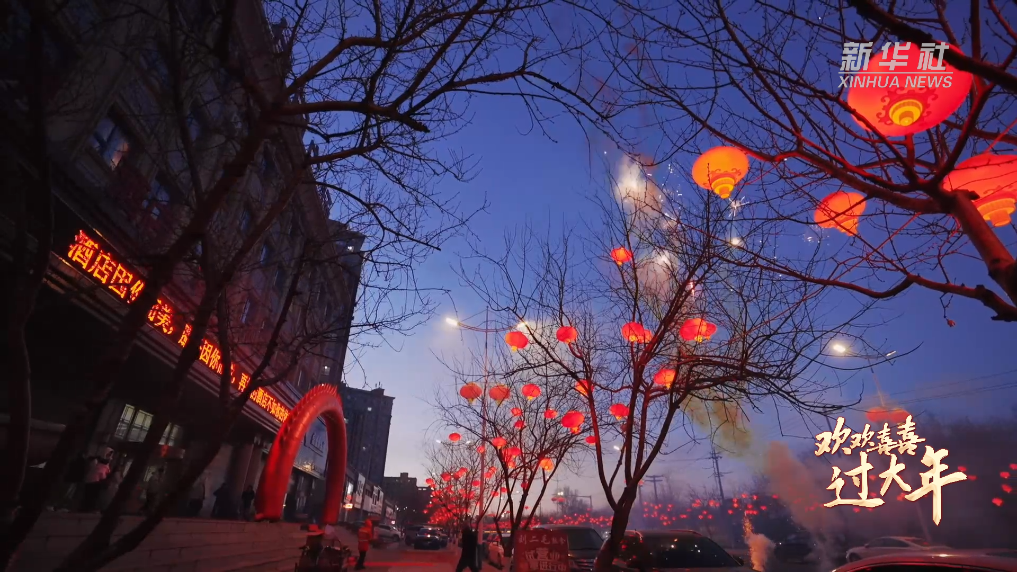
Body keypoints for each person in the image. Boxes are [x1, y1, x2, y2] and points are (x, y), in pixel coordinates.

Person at [80, 447, 112, 512]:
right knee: (90, 495)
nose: (110, 457)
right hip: (93, 480)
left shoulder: (104, 463)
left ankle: (88, 508)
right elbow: (97, 471)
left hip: (96, 481)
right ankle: (86, 508)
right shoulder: (97, 462)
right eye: (109, 455)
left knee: (92, 496)